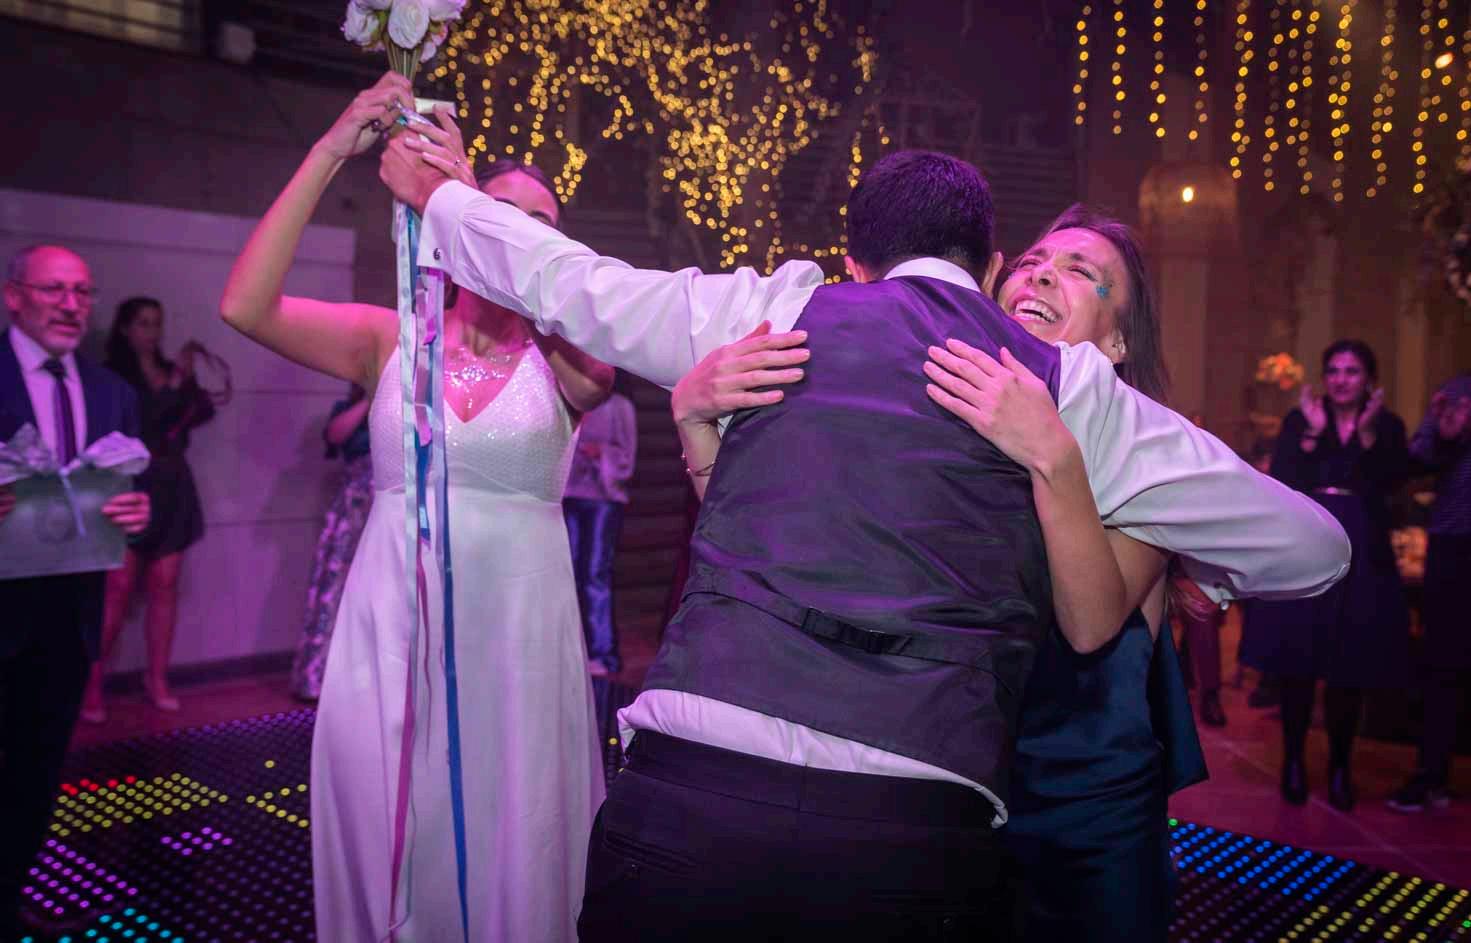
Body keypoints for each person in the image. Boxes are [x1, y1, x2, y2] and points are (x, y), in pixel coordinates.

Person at [387, 123, 1349, 938]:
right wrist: (1211, 564)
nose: (1043, 280)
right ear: (990, 269)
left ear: (853, 262)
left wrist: (444, 200)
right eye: (1033, 263)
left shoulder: (769, 313)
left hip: (691, 789)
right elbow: (1314, 547)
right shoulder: (1072, 389)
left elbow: (570, 281)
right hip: (909, 814)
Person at [674, 205, 1209, 941]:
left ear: (1117, 341)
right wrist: (695, 422)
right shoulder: (938, 431)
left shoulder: (1146, 463)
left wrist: (1051, 452)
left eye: (1080, 271)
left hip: (1081, 823)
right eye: (1030, 261)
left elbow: (1088, 626)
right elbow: (761, 542)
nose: (1040, 273)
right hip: (948, 789)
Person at [220, 73, 614, 941]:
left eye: (539, 224)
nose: (518, 231)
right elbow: (244, 305)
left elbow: (597, 372)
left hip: (517, 639)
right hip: (391, 625)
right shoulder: (389, 337)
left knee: (510, 834)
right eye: (499, 212)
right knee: (384, 823)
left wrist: (465, 200)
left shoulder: (569, 358)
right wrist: (332, 149)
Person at [0, 245, 151, 939]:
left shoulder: (113, 391)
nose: (71, 305)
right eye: (53, 289)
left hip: (68, 614)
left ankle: (6, 903)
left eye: (83, 292)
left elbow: (122, 488)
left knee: (36, 773)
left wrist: (137, 510)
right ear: (14, 296)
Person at [1239, 340, 1411, 811]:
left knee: (1348, 664)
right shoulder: (1301, 421)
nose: (1341, 380)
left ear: (1369, 379)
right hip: (1310, 542)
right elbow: (1285, 479)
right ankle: (1293, 761)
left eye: (1351, 371)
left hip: (1363, 551)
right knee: (1299, 658)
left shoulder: (1387, 425)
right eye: (1333, 371)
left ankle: (1339, 767)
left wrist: (1369, 437)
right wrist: (1313, 436)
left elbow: (1392, 485)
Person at [78, 296, 218, 721]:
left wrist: (185, 383)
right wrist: (172, 388)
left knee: (164, 586)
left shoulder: (171, 369)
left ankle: (156, 679)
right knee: (117, 590)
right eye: (142, 323)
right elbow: (141, 424)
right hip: (130, 483)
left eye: (156, 323)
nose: (151, 332)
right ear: (125, 328)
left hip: (173, 485)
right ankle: (90, 685)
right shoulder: (111, 376)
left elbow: (202, 412)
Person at [1389, 372, 1471, 812]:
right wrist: (1445, 435)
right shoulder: (1456, 392)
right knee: (1442, 664)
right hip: (1456, 543)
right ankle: (1432, 775)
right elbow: (1413, 462)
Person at [290, 385, 373, 701]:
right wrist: (372, 396)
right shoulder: (347, 408)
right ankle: (320, 678)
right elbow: (335, 435)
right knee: (337, 588)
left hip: (392, 506)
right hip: (354, 509)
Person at [563, 385, 637, 676]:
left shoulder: (620, 406)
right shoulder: (570, 398)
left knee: (595, 574)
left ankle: (603, 652)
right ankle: (570, 649)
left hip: (603, 500)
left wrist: (600, 454)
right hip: (568, 495)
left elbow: (627, 456)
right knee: (566, 572)